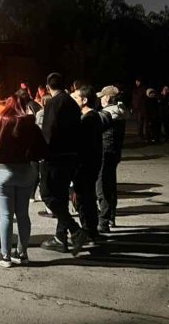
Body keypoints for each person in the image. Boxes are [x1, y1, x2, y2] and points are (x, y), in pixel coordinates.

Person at [0, 95, 47, 267]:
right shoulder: (30, 125)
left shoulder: (0, 122)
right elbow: (42, 151)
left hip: (4, 172)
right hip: (26, 172)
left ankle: (5, 256)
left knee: (6, 215)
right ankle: (22, 253)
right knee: (23, 214)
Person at [39, 72, 87, 255]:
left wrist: (42, 153)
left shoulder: (53, 103)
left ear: (48, 87)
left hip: (55, 158)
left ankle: (75, 231)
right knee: (60, 196)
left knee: (47, 194)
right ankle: (61, 237)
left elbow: (49, 132)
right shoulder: (72, 103)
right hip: (70, 157)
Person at [71, 85, 103, 241]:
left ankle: (88, 230)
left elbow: (82, 146)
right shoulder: (92, 117)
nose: (73, 100)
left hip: (86, 165)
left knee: (84, 199)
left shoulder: (89, 119)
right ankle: (91, 230)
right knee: (87, 197)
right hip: (91, 164)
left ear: (84, 100)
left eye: (76, 98)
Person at [96, 85, 126, 233]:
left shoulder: (106, 114)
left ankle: (103, 220)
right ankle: (111, 217)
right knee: (111, 184)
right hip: (115, 153)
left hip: (104, 152)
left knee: (102, 187)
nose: (100, 99)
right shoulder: (120, 111)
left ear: (108, 98)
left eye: (102, 96)